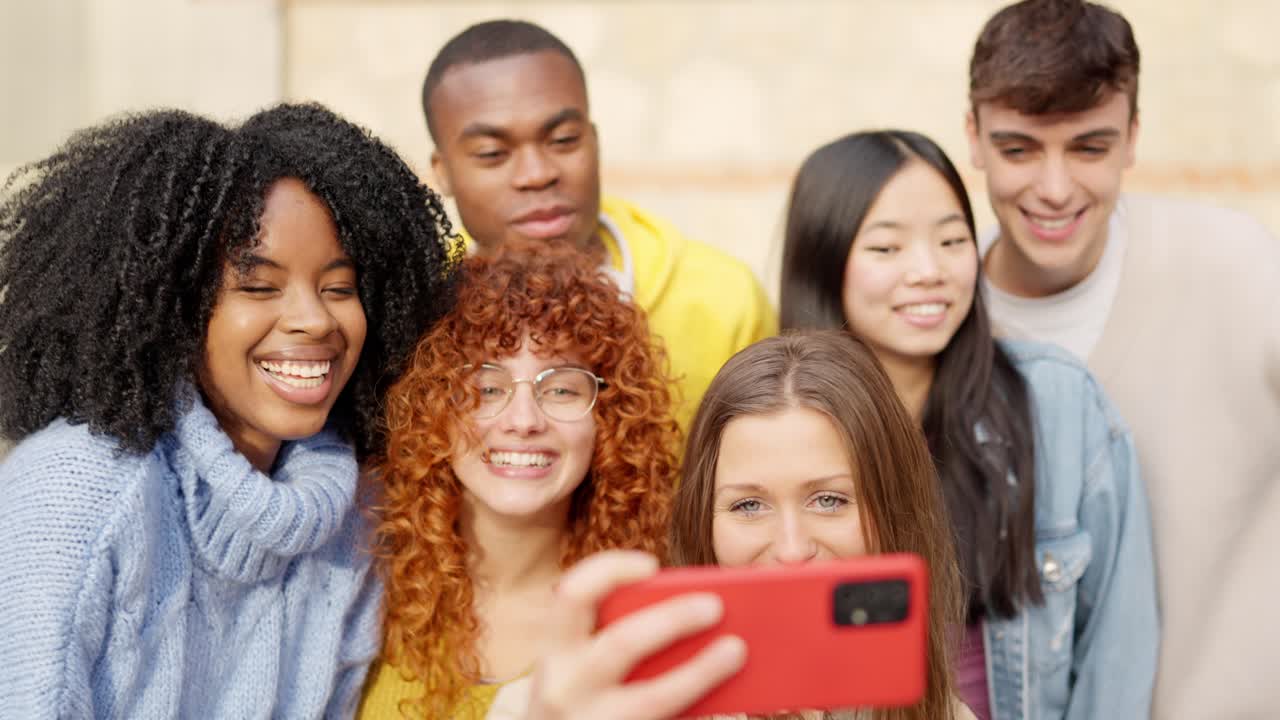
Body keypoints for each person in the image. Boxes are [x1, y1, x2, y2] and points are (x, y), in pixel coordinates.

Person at [0, 103, 457, 717]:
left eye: (340, 288)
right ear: (169, 306)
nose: (314, 319)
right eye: (258, 286)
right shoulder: (76, 494)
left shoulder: (353, 516)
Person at [964, 1, 1280, 715]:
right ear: (973, 137)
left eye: (1089, 147)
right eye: (1019, 149)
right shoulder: (943, 328)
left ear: (1133, 138)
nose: (1053, 188)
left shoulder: (1237, 269)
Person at [779, 130, 1157, 719]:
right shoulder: (771, 432)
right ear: (824, 263)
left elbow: (1118, 647)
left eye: (953, 240)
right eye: (887, 249)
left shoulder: (1057, 404)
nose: (929, 271)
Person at [499, 331, 973, 720]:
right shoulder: (574, 706)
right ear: (703, 522)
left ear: (891, 512)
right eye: (748, 505)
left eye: (829, 500)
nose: (791, 550)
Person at [357, 241, 680, 719]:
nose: (523, 419)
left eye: (563, 388)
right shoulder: (362, 588)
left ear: (610, 419)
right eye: (487, 387)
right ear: (433, 409)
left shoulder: (646, 622)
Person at [420, 19, 777, 430]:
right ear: (443, 171)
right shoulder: (418, 312)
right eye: (492, 153)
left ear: (594, 140)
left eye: (563, 140)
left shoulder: (725, 297)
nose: (537, 173)